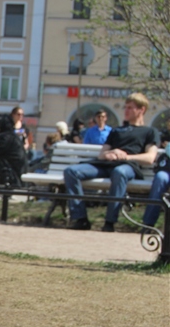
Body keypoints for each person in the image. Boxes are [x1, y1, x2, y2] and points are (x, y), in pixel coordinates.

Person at [64, 93, 160, 232]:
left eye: (130, 108)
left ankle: (109, 222)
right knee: (71, 171)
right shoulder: (116, 130)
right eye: (125, 107)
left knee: (119, 172)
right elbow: (102, 154)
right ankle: (81, 219)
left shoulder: (150, 131)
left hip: (127, 167)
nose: (126, 110)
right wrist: (109, 154)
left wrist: (126, 157)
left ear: (141, 110)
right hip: (106, 165)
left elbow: (150, 158)